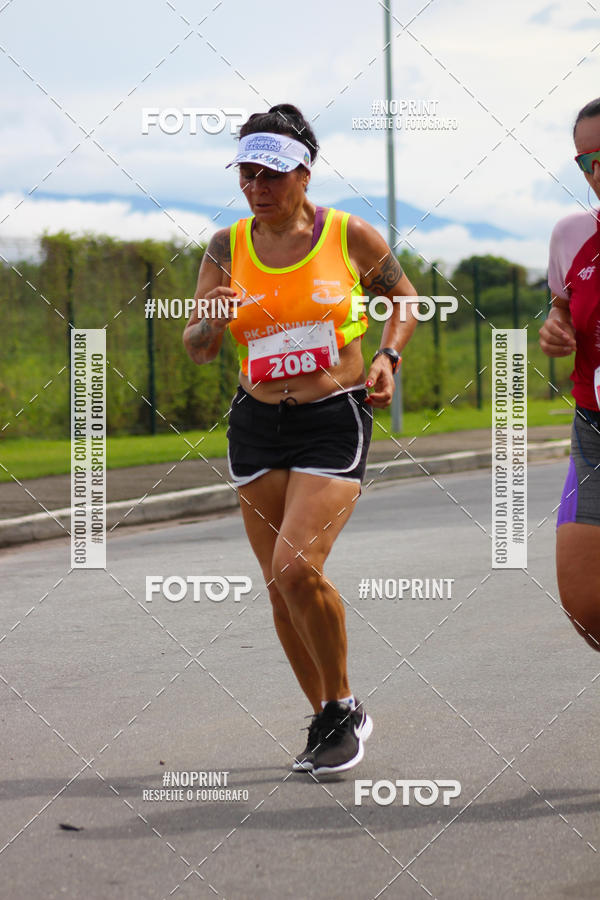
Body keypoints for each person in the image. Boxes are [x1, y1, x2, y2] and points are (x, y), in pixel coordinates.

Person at [183, 103, 418, 775]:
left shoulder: (349, 236)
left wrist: (386, 358)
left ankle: (343, 705)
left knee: (296, 566)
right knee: (277, 583)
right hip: (256, 423)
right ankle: (326, 718)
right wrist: (209, 322)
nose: (258, 187)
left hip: (331, 416)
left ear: (304, 175)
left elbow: (404, 299)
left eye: (272, 175)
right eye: (248, 173)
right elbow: (199, 348)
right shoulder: (226, 248)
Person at [540, 96, 600, 652]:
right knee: (587, 606)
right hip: (594, 429)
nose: (598, 172)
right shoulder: (571, 235)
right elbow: (562, 306)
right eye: (587, 163)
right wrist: (555, 328)